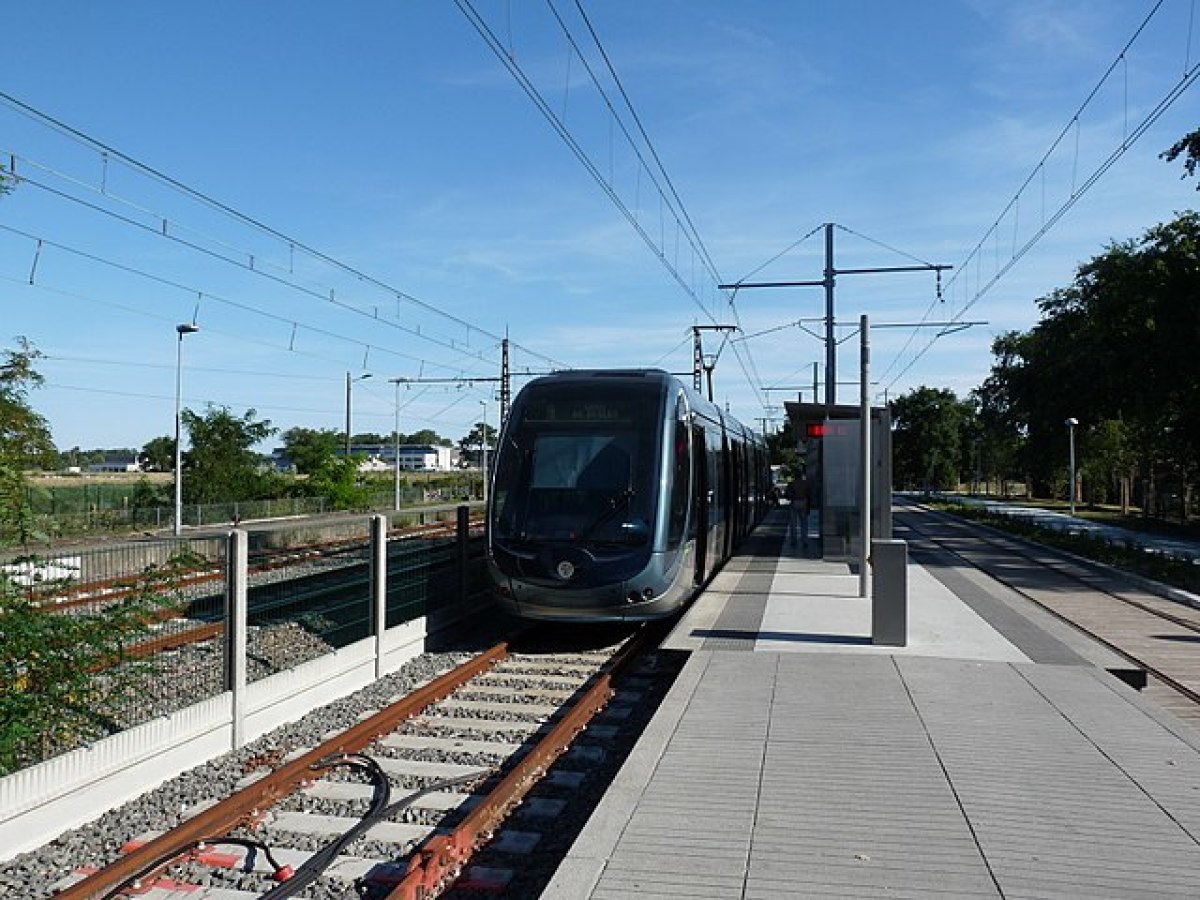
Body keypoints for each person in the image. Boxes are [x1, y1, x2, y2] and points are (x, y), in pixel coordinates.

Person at [785, 473, 810, 546]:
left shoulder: (791, 483)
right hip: (804, 502)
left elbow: (787, 495)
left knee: (793, 523)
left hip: (794, 502)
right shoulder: (806, 483)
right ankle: (804, 540)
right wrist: (808, 507)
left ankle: (794, 541)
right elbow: (809, 495)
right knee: (804, 523)